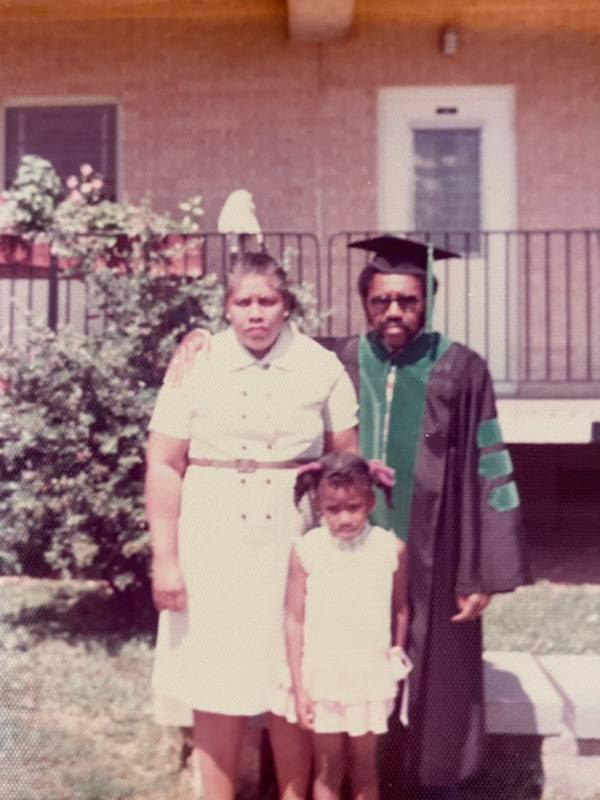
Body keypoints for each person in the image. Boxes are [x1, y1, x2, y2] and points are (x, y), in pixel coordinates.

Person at [167, 234, 531, 800]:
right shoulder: (337, 358)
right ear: (365, 301)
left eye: (408, 300)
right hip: (343, 556)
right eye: (382, 299)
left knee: (434, 662)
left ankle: (429, 782)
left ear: (427, 301)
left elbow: (492, 467)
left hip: (435, 551)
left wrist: (481, 570)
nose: (393, 311)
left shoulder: (463, 369)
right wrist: (195, 338)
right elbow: (254, 337)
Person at [145, 250, 358, 800]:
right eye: (244, 302)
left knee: (291, 672)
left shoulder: (320, 366)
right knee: (215, 673)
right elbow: (165, 463)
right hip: (211, 537)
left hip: (291, 539)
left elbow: (346, 464)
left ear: (287, 305)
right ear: (227, 307)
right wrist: (164, 558)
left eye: (268, 301)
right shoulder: (197, 361)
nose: (256, 313)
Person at [273, 452, 412, 800]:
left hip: (368, 678)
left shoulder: (389, 549)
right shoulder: (307, 550)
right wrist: (300, 685)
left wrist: (393, 658)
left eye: (353, 506)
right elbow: (294, 618)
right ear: (319, 506)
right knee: (329, 768)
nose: (345, 518)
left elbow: (400, 609)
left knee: (365, 769)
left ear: (369, 500)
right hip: (323, 679)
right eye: (334, 510)